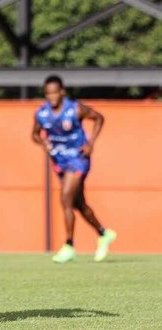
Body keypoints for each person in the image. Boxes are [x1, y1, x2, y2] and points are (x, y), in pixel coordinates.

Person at [32, 75, 117, 263]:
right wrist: (43, 142)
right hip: (60, 161)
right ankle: (104, 233)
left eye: (55, 92)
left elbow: (99, 118)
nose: (52, 96)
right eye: (48, 93)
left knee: (65, 198)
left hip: (78, 159)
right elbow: (35, 134)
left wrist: (91, 143)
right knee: (78, 203)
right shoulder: (42, 113)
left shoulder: (75, 109)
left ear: (62, 92)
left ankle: (69, 245)